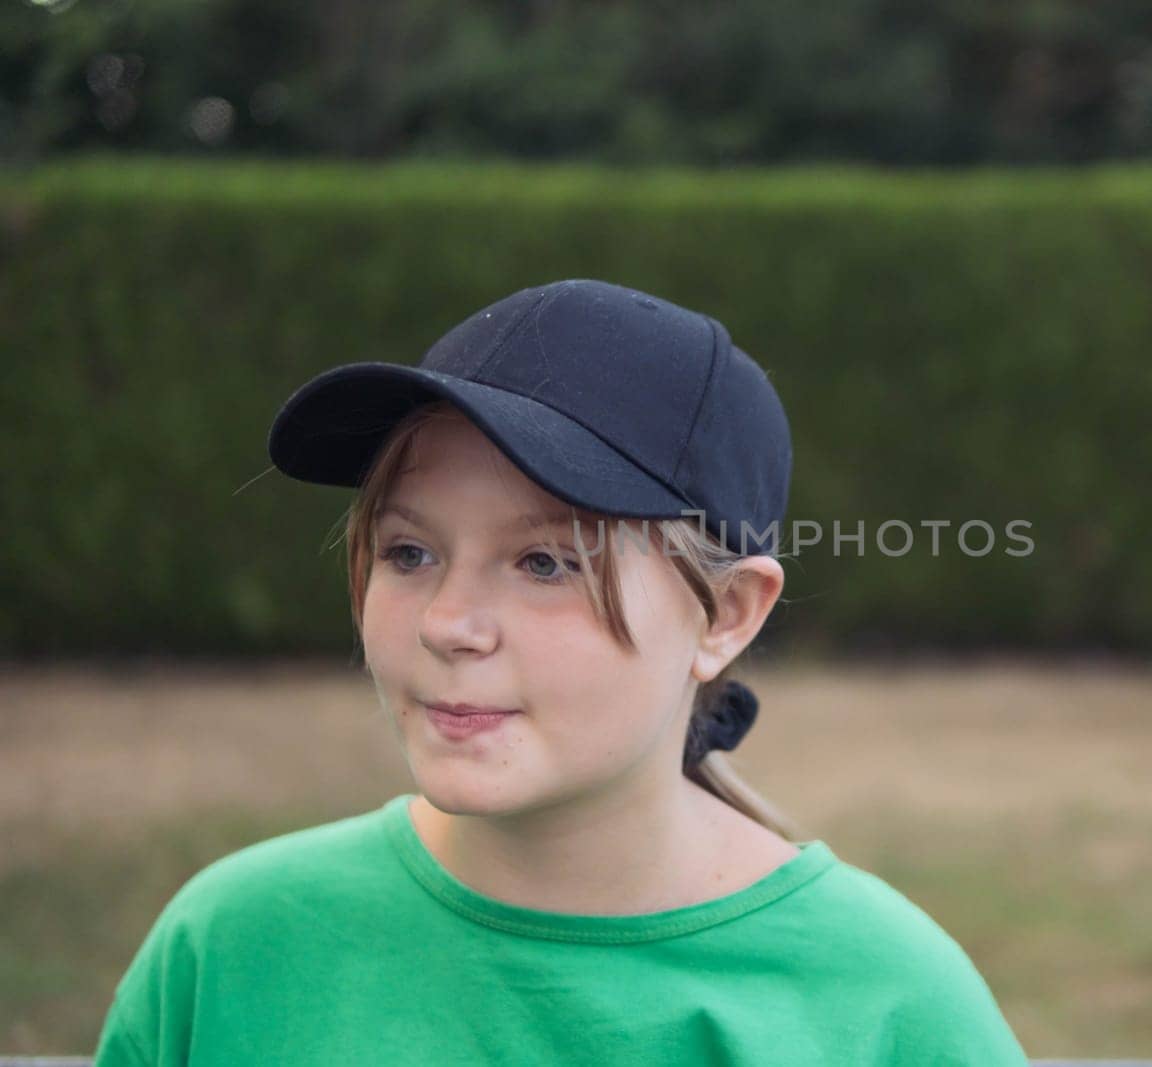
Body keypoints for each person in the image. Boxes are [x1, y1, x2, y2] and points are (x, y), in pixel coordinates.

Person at [93, 279, 1031, 1065]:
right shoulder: (233, 948)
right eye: (409, 552)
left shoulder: (886, 1005)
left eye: (546, 563)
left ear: (728, 615)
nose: (450, 624)